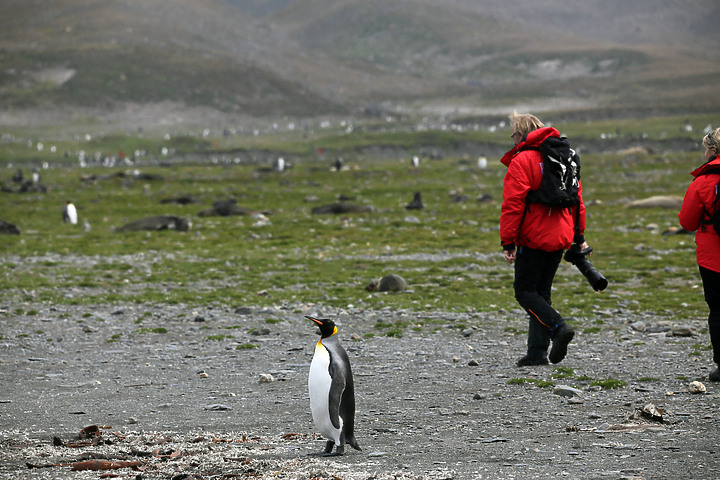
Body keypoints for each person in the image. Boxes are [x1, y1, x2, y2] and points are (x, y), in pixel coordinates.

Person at [500, 112, 589, 366]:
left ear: (521, 134)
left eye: (514, 134)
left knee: (525, 292)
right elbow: (577, 200)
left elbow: (513, 205)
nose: (513, 139)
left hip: (533, 236)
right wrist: (578, 235)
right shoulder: (564, 157)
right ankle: (537, 352)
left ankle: (559, 328)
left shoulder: (523, 160)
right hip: (560, 235)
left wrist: (508, 241)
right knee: (541, 293)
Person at [678, 128, 720, 381]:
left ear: (714, 151)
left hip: (713, 257)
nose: (704, 153)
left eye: (706, 148)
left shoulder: (705, 181)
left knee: (718, 309)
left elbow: (687, 221)